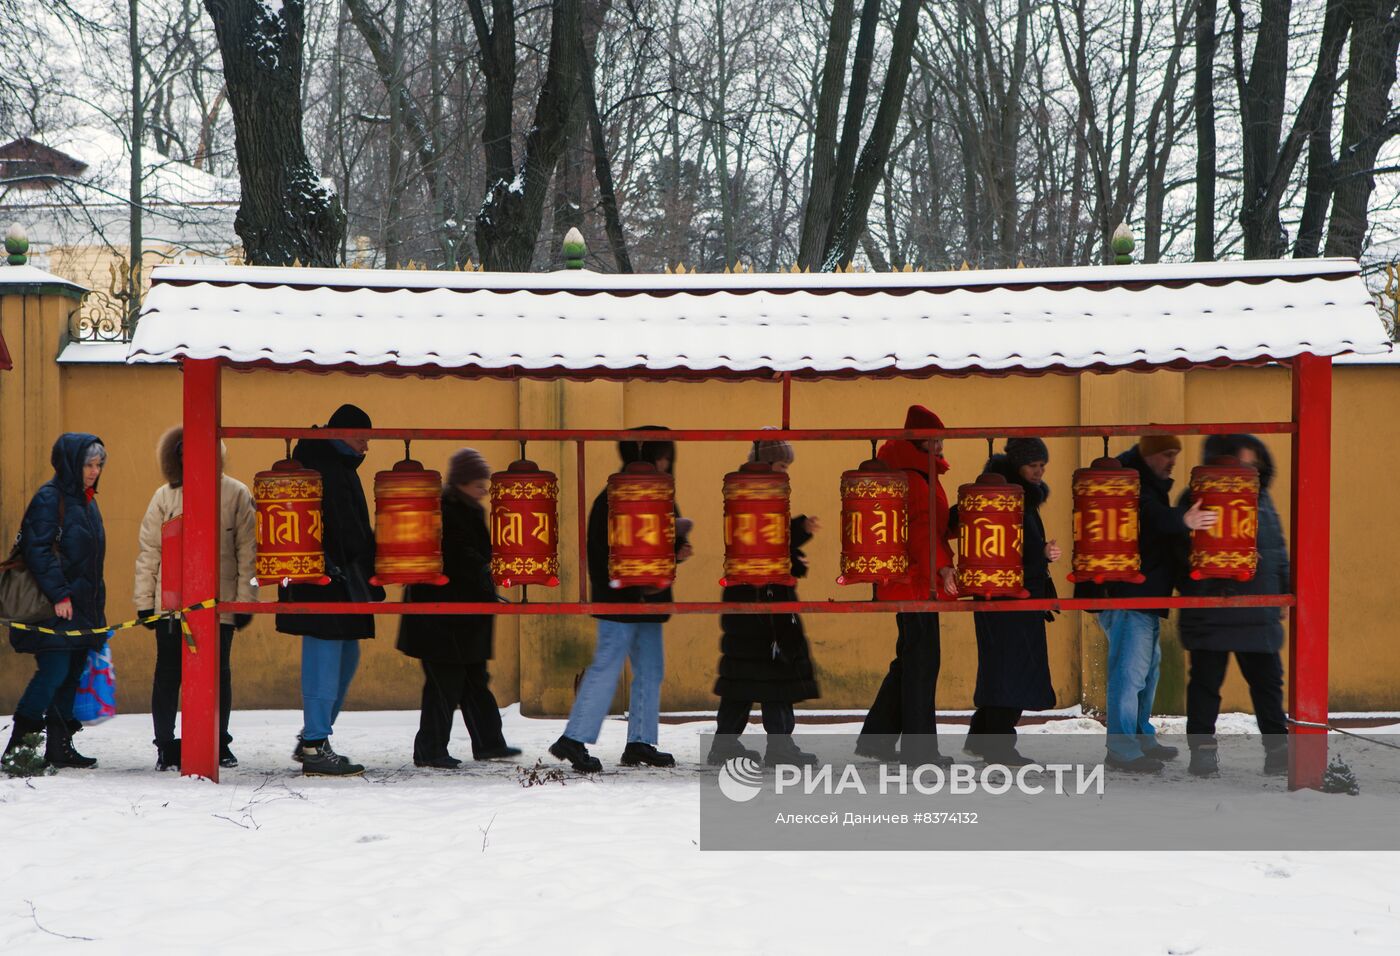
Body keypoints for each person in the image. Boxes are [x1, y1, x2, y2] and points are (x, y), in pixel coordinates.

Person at [550, 426, 691, 773]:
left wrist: (676, 550)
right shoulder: (613, 497)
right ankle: (574, 738)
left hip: (649, 600)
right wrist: (624, 582)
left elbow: (659, 541)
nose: (665, 464)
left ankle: (640, 741)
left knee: (650, 670)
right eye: (662, 457)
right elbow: (601, 549)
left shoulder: (658, 496)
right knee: (607, 666)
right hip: (619, 598)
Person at [1074, 435, 1217, 773]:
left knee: (1145, 672)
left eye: (1175, 455)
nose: (1172, 461)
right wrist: (1183, 520)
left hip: (1143, 596)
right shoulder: (1130, 484)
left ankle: (1140, 736)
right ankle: (1122, 748)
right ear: (1149, 454)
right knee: (1129, 673)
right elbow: (1150, 517)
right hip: (1124, 595)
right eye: (1166, 454)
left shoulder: (1146, 482)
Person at [134, 426, 257, 771]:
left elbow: (248, 551)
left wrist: (245, 600)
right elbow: (150, 552)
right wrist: (145, 601)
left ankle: (219, 742)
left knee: (219, 674)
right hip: (171, 606)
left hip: (221, 604)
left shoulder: (236, 494)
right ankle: (165, 745)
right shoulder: (164, 497)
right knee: (169, 674)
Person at [276, 404, 385, 777]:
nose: (366, 447)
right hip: (325, 581)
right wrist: (368, 565)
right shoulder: (325, 468)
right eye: (361, 438)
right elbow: (344, 528)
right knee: (324, 656)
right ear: (340, 434)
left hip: (340, 581)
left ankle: (313, 735)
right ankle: (314, 743)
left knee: (345, 656)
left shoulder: (333, 465)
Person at [397, 448, 521, 768]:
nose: (484, 490)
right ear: (462, 482)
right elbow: (458, 554)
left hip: (463, 615)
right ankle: (430, 749)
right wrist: (484, 569)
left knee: (473, 680)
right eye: (479, 484)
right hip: (440, 615)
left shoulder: (468, 509)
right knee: (445, 683)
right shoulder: (445, 511)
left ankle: (489, 743)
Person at [1178, 435, 1290, 777]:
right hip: (1211, 608)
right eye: (1243, 463)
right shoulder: (1197, 497)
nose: (1248, 471)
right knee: (1206, 686)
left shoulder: (1263, 498)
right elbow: (1180, 550)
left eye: (1254, 465)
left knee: (1268, 684)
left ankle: (1278, 750)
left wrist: (1283, 591)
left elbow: (1276, 549)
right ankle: (1203, 753)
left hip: (1258, 609)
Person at [707, 434, 820, 768]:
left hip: (744, 598)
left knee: (741, 679)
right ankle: (781, 747)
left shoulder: (743, 493)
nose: (786, 472)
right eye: (782, 465)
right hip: (767, 600)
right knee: (777, 674)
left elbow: (767, 541)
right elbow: (770, 543)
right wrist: (799, 534)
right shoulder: (762, 494)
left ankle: (724, 745)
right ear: (767, 463)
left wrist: (796, 541)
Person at [855, 404, 959, 766]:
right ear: (922, 440)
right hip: (916, 584)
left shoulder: (920, 472)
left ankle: (876, 739)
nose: (943, 445)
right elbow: (919, 533)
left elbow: (933, 525)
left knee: (910, 660)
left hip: (912, 582)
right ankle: (919, 750)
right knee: (922, 664)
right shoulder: (914, 478)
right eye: (937, 439)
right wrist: (943, 568)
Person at [4, 434, 108, 770]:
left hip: (81, 607)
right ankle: (19, 748)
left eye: (97, 465)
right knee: (54, 670)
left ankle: (60, 747)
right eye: (88, 464)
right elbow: (36, 551)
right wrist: (59, 594)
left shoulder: (88, 502)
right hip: (54, 607)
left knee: (71, 672)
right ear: (70, 464)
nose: (94, 471)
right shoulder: (50, 498)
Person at [964, 438, 1060, 766]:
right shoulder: (1005, 500)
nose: (1039, 471)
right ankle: (998, 747)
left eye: (1042, 466)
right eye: (1033, 465)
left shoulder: (1020, 498)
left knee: (1002, 672)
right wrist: (1041, 555)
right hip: (1008, 599)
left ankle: (983, 739)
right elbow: (1004, 552)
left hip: (1015, 599)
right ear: (1018, 464)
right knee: (1010, 674)